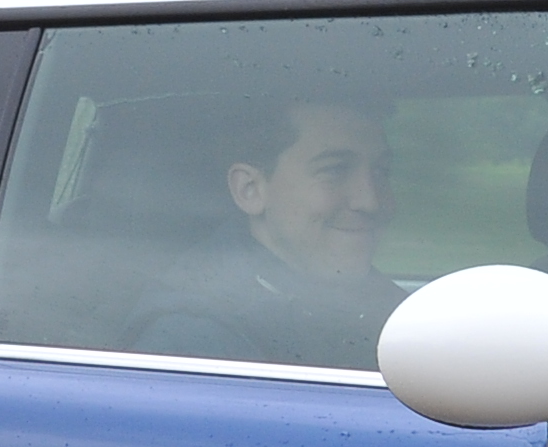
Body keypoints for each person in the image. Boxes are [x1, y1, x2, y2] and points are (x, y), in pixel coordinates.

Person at [129, 96, 408, 367]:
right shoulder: (197, 340)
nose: (369, 201)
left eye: (381, 171)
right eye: (334, 170)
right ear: (250, 190)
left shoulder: (381, 306)